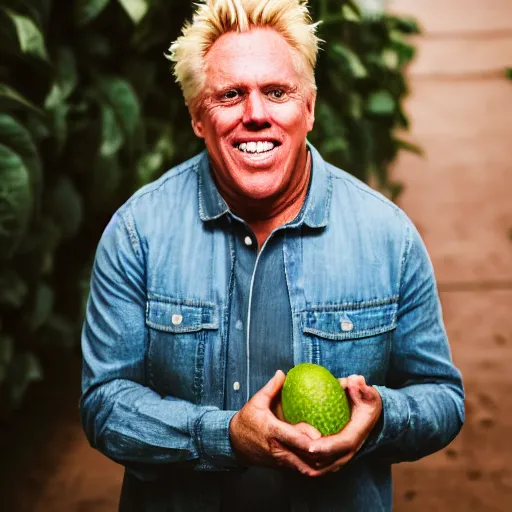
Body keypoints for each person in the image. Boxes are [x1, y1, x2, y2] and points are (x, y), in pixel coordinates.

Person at [80, 1, 464, 510]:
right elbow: (104, 404)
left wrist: (379, 418)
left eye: (277, 92)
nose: (255, 114)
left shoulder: (386, 237)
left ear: (308, 107)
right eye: (230, 94)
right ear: (198, 116)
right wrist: (225, 436)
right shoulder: (138, 234)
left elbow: (442, 396)